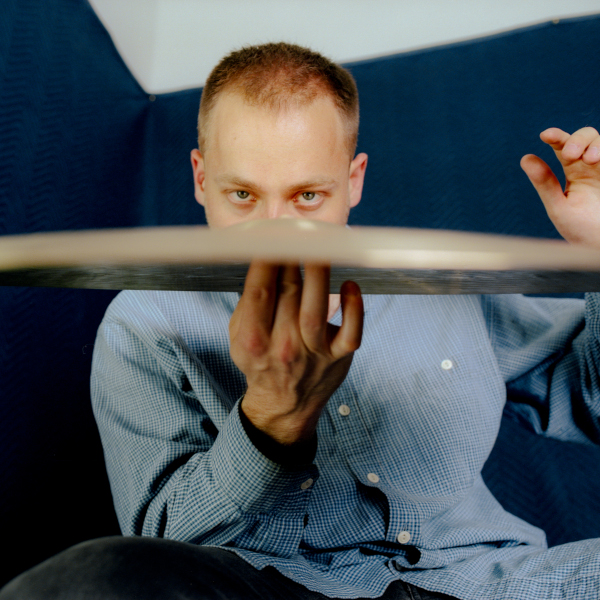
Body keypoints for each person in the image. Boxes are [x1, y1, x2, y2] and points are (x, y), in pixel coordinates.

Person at [2, 41, 600, 600]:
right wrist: (271, 419)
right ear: (201, 179)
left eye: (307, 197)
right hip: (282, 589)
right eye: (243, 196)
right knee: (94, 577)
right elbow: (166, 545)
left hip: (487, 581)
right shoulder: (145, 324)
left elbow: (591, 402)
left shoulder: (441, 281)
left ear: (353, 181)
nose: (276, 234)